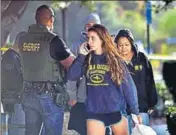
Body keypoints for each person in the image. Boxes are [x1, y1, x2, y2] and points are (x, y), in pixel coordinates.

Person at [67, 24, 141, 135]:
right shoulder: (87, 58)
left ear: (102, 39)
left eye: (93, 38)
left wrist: (135, 111)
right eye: (88, 38)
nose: (89, 42)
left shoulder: (115, 60)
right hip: (94, 112)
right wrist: (81, 55)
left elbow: (128, 86)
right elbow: (72, 76)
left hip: (116, 111)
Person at [15, 5, 74, 135]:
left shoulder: (22, 39)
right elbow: (71, 64)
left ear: (36, 19)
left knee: (31, 132)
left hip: (28, 93)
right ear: (51, 20)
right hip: (49, 95)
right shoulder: (54, 40)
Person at [114, 29, 158, 127]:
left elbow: (149, 81)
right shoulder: (114, 61)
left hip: (141, 106)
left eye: (126, 44)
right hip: (121, 109)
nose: (123, 48)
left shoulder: (141, 58)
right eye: (120, 45)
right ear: (116, 45)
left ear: (132, 44)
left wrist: (152, 103)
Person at [67, 12, 102, 135]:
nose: (90, 27)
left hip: (101, 98)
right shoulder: (76, 46)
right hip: (81, 98)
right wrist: (72, 96)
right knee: (81, 130)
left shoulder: (107, 46)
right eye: (88, 25)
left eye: (94, 24)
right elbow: (71, 74)